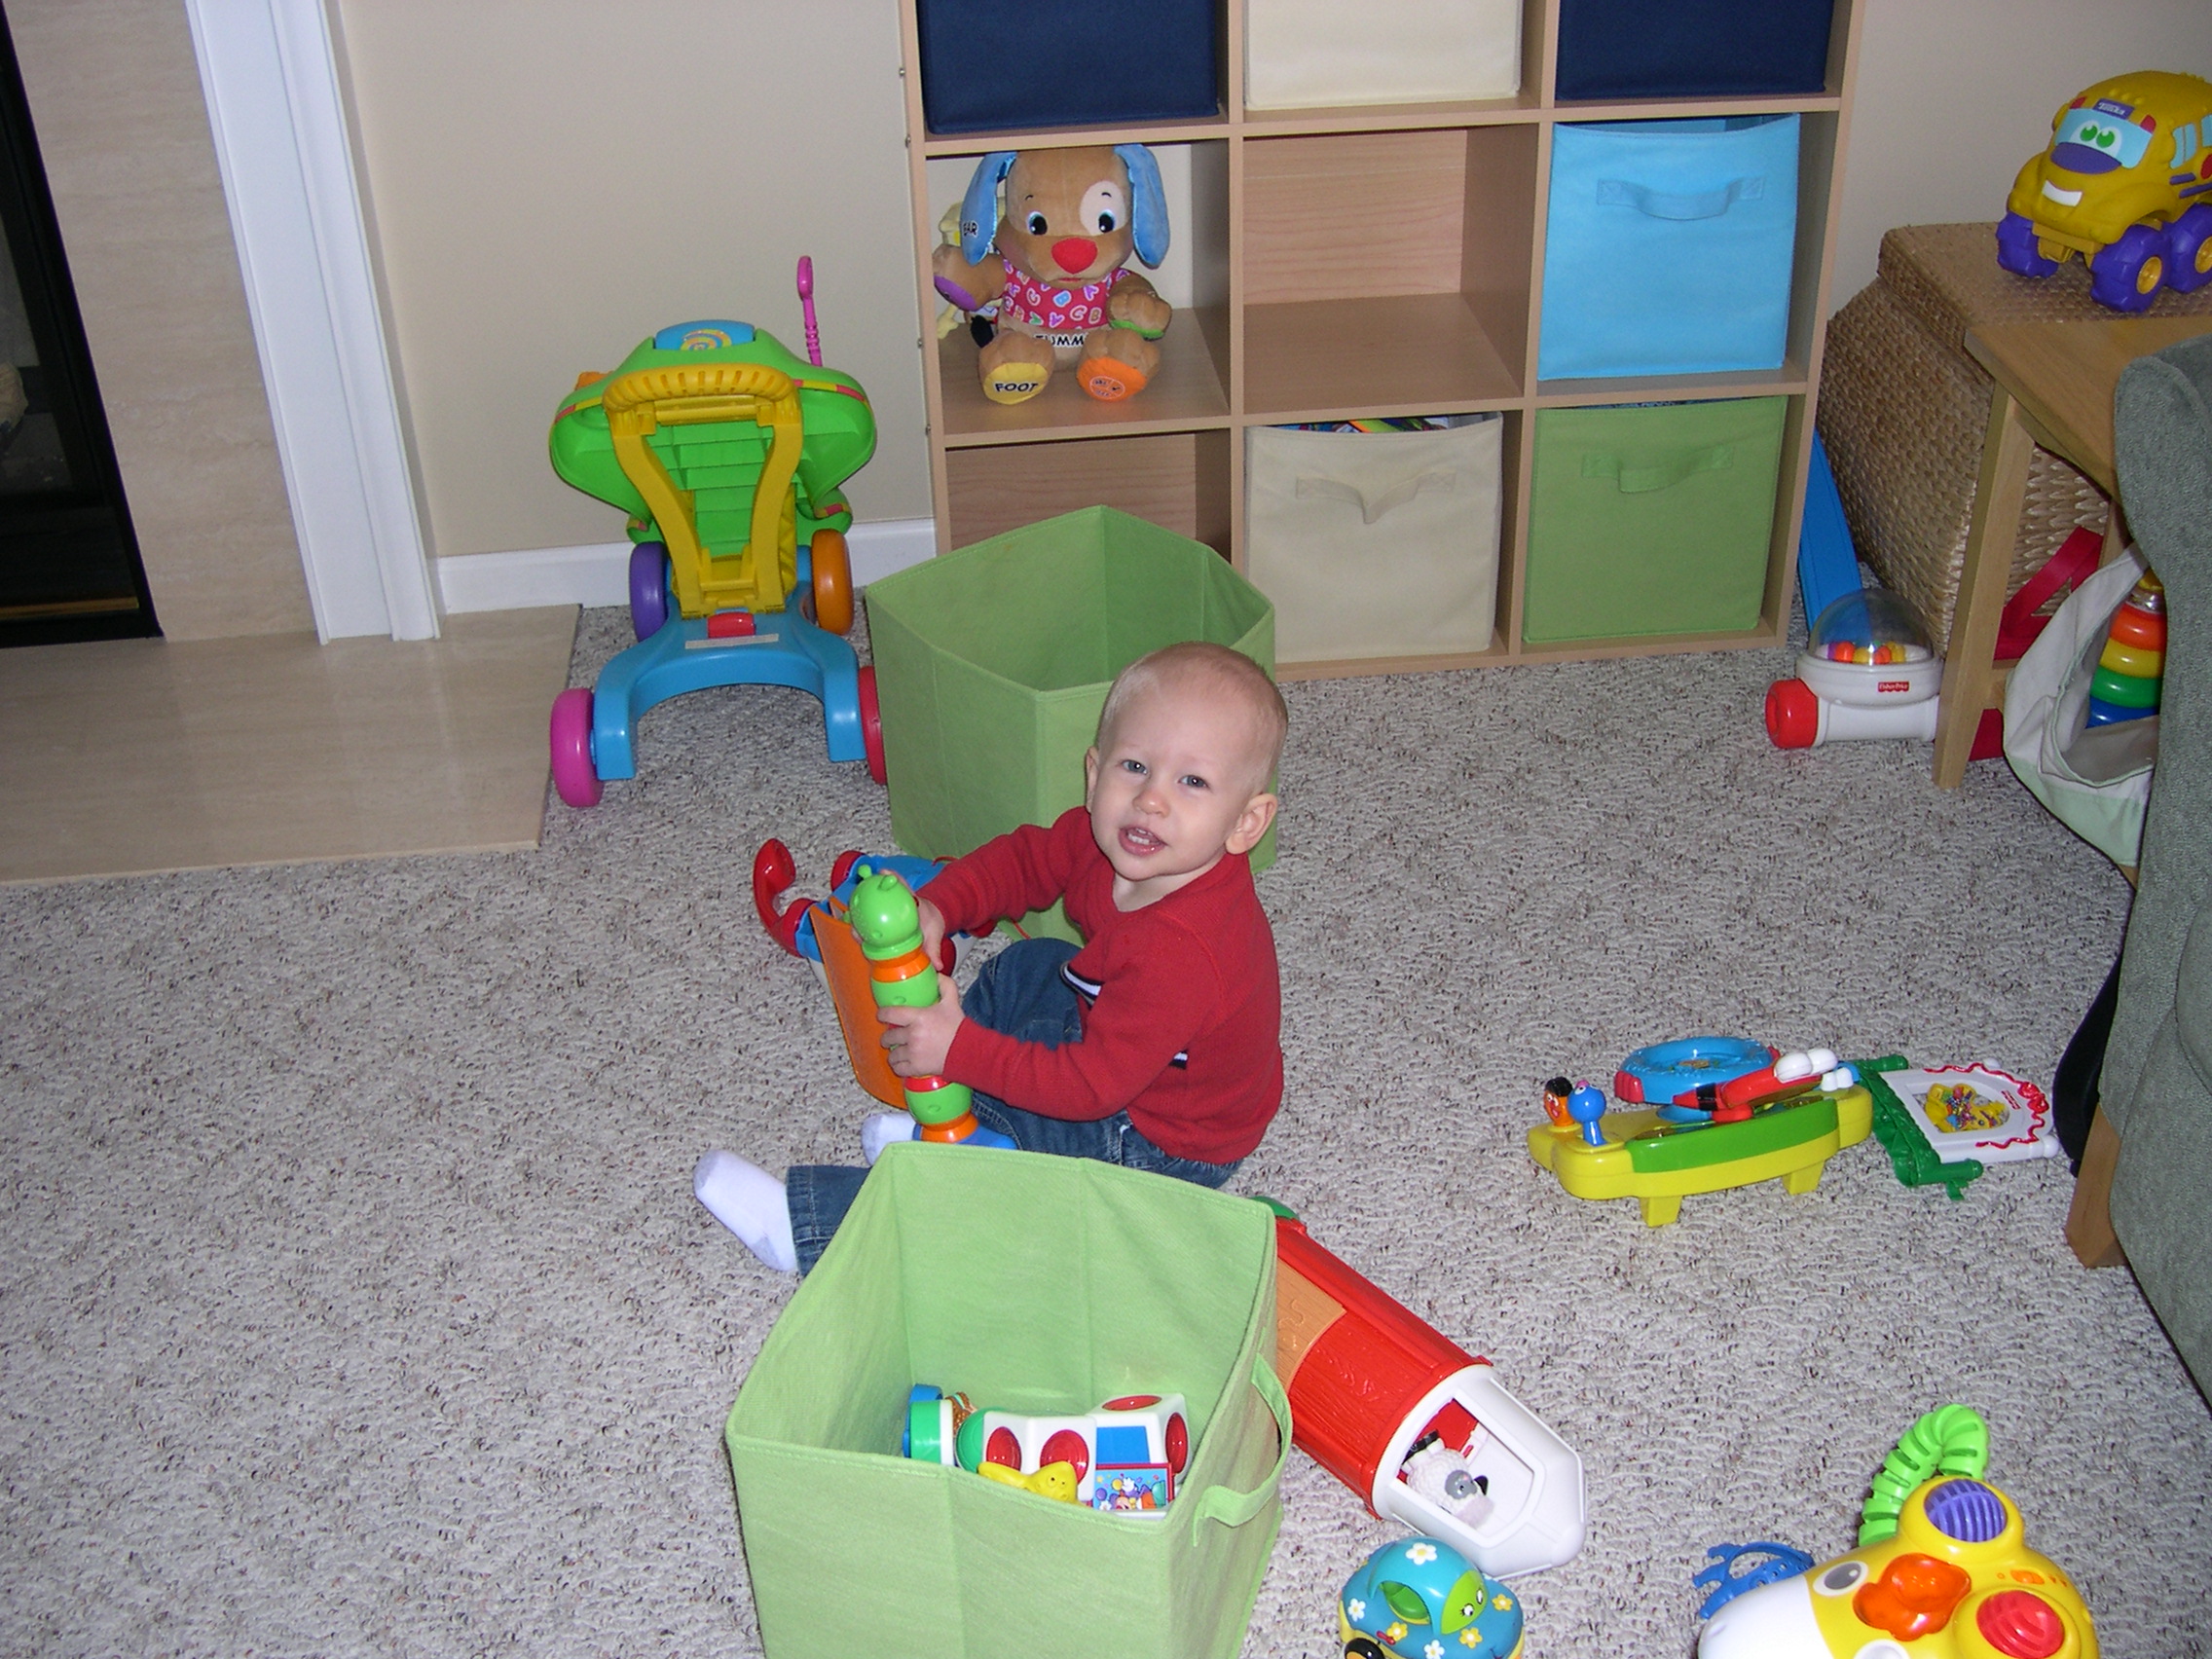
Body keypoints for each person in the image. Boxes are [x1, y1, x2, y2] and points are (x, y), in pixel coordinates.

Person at [694, 641, 1287, 1273]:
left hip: (1160, 1139)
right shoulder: (1108, 838)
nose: (1151, 800)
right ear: (1094, 774)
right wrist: (938, 910)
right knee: (1031, 968)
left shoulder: (1184, 952)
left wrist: (959, 1047)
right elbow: (1024, 862)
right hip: (1128, 1044)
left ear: (1245, 824)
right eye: (1135, 766)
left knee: (994, 1191)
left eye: (1192, 781)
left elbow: (1090, 1088)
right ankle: (953, 1109)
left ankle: (809, 1227)